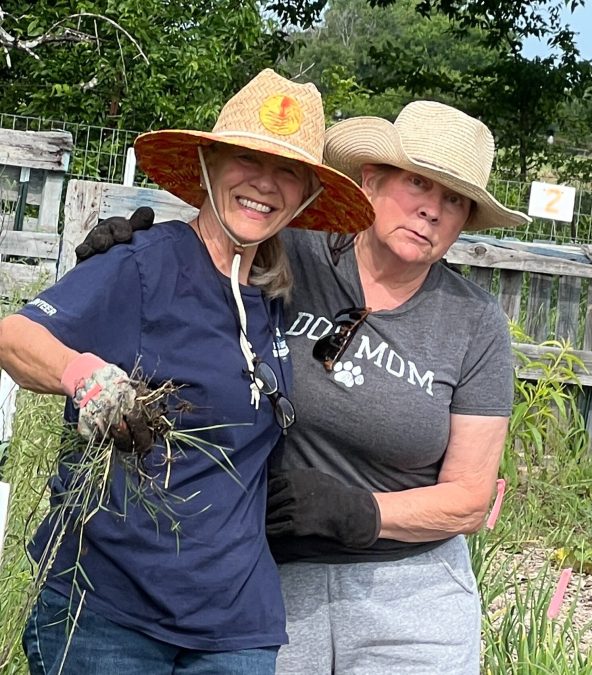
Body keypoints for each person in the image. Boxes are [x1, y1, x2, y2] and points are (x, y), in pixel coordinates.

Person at [79, 100, 531, 674]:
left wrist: (363, 512)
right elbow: (206, 245)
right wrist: (128, 258)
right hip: (270, 573)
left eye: (454, 200)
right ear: (372, 179)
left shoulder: (472, 321)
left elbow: (469, 497)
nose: (432, 211)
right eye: (419, 183)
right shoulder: (289, 254)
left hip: (411, 594)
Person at [0, 69, 373, 674]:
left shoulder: (276, 299)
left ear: (305, 195)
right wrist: (84, 375)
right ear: (207, 165)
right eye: (245, 159)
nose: (264, 184)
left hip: (237, 625)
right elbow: (15, 337)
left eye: (287, 172)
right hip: (111, 613)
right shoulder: (146, 263)